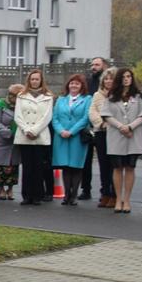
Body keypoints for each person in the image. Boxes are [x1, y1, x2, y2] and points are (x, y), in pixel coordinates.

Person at [100, 68, 142, 214]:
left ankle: (127, 199)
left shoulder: (139, 96)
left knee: (130, 167)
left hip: (133, 135)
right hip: (116, 134)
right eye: (123, 77)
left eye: (129, 76)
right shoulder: (112, 96)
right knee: (117, 167)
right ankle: (118, 199)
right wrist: (121, 126)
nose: (126, 79)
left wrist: (130, 127)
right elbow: (106, 114)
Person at [14, 69, 55, 206]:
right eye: (32, 79)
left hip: (40, 135)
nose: (34, 81)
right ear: (28, 80)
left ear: (41, 81)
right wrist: (27, 129)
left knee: (38, 166)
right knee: (27, 167)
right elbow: (18, 115)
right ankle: (26, 195)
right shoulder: (21, 95)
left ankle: (38, 195)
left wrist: (35, 130)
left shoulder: (48, 96)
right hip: (25, 134)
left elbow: (47, 116)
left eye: (37, 79)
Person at [51, 74, 92, 206]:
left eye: (77, 84)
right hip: (61, 136)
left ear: (82, 86)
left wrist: (72, 131)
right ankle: (66, 195)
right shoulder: (61, 99)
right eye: (72, 83)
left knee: (76, 166)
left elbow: (85, 118)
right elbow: (55, 117)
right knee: (65, 166)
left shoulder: (87, 99)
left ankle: (73, 195)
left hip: (77, 136)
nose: (74, 86)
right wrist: (61, 130)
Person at [87, 69, 118, 207]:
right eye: (106, 79)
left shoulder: (119, 95)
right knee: (103, 165)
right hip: (101, 132)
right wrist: (101, 123)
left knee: (115, 165)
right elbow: (92, 112)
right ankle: (105, 192)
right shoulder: (97, 95)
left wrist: (111, 123)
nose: (108, 81)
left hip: (116, 133)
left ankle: (114, 194)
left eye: (111, 79)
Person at [79, 57, 109, 198]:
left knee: (106, 161)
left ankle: (106, 191)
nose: (94, 67)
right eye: (92, 65)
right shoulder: (87, 81)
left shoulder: (109, 83)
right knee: (86, 159)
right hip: (88, 125)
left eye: (97, 65)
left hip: (106, 127)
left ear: (104, 66)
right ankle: (86, 189)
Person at [0, 84, 22, 200]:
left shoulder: (22, 105)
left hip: (16, 140)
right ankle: (1, 189)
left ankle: (10, 189)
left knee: (13, 165)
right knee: (0, 166)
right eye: (14, 96)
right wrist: (8, 132)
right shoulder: (0, 104)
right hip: (2, 139)